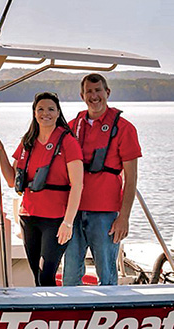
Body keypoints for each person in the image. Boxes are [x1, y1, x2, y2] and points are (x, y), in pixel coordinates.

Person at [0, 92, 83, 287]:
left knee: (46, 275)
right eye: (40, 109)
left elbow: (78, 184)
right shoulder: (29, 141)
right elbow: (11, 179)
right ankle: (43, 313)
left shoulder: (68, 142)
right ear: (34, 113)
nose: (45, 113)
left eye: (50, 109)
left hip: (56, 220)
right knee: (36, 275)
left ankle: (53, 313)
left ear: (58, 112)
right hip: (29, 217)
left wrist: (68, 222)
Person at [63, 73, 142, 286]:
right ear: (82, 95)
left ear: (107, 93)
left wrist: (123, 217)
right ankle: (72, 315)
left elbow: (131, 178)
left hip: (106, 214)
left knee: (107, 276)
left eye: (98, 91)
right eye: (89, 91)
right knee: (69, 276)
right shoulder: (71, 127)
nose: (94, 96)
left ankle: (108, 317)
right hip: (73, 213)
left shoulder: (125, 129)